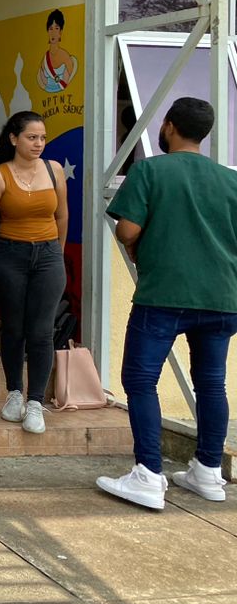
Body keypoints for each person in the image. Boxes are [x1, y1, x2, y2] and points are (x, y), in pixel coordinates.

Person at [97, 98, 237, 509]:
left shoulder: (150, 169)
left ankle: (147, 473)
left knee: (141, 380)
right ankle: (208, 471)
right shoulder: (230, 180)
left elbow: (126, 230)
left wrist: (144, 241)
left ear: (169, 127)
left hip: (164, 294)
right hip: (222, 297)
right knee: (212, 382)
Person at [0, 110, 68, 436]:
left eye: (42, 138)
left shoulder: (54, 170)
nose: (38, 143)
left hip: (48, 254)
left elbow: (62, 215)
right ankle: (14, 393)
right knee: (14, 327)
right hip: (10, 255)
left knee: (42, 331)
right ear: (13, 139)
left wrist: (58, 253)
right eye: (31, 137)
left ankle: (35, 402)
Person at [37, 9, 77, 93]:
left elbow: (69, 78)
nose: (53, 32)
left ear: (60, 32)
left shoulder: (65, 56)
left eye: (56, 28)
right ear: (47, 31)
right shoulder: (45, 59)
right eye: (51, 28)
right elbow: (41, 79)